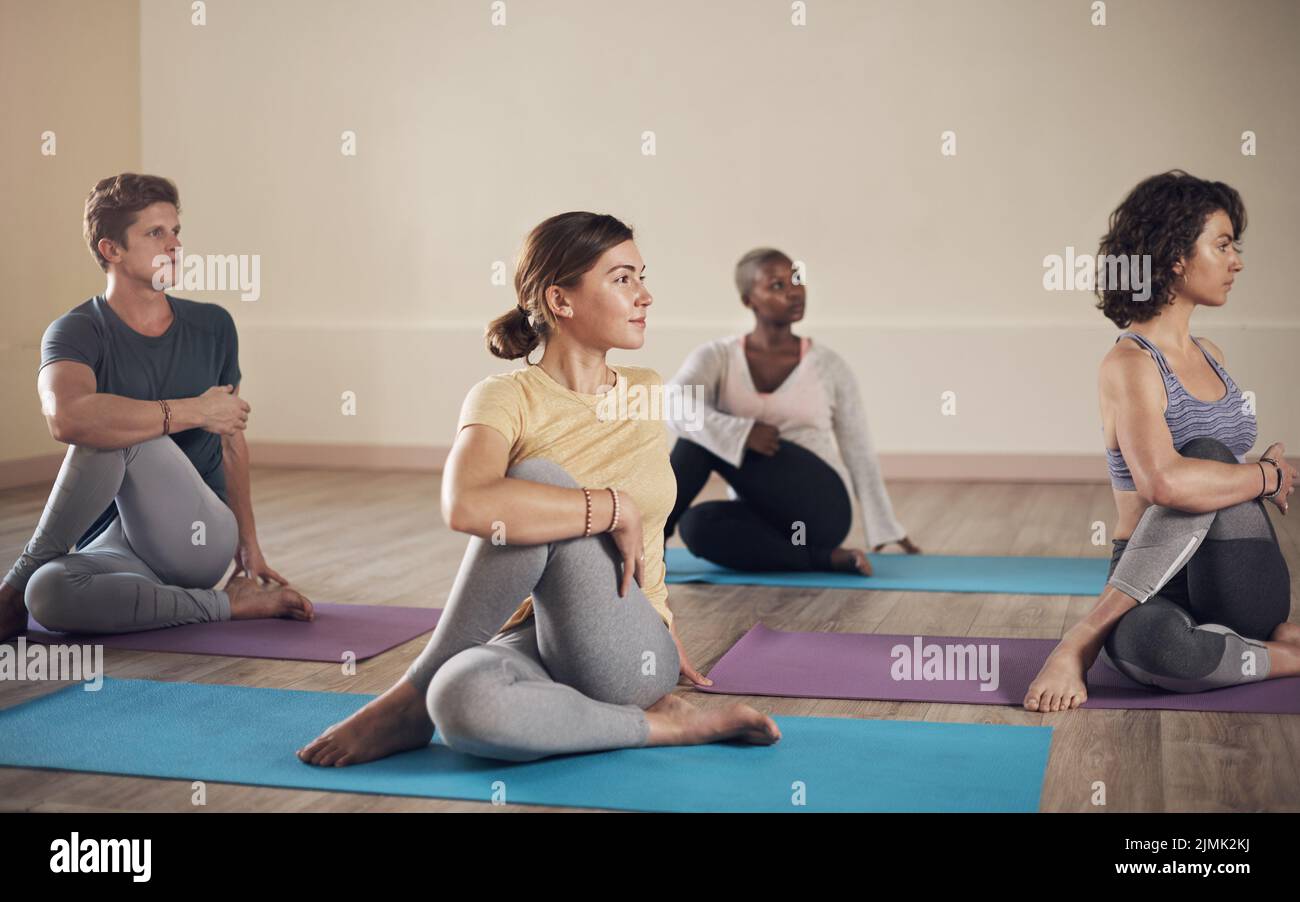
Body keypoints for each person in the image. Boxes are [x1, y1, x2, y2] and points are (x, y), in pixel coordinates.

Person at [298, 212, 780, 765]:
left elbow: (638, 545)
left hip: (622, 647)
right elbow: (466, 503)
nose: (644, 295)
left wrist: (653, 618)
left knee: (537, 482)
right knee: (458, 701)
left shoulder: (646, 391)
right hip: (528, 637)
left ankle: (408, 698)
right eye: (622, 279)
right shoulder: (502, 398)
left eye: (641, 276)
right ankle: (656, 726)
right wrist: (612, 507)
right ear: (561, 301)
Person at [1025, 170, 1299, 711]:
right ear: (1175, 257)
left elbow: (1208, 479)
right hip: (1149, 581)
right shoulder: (1129, 365)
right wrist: (1266, 476)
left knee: (1205, 460)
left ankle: (1079, 640)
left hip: (1238, 577)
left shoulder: (1212, 354)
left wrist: (1248, 470)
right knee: (1154, 649)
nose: (1236, 261)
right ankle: (1283, 654)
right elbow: (1164, 482)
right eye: (1221, 245)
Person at [0, 173, 312, 641]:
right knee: (48, 593)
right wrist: (195, 411)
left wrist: (249, 549)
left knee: (112, 436)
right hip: (119, 543)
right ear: (112, 250)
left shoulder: (213, 325)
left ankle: (12, 585)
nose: (174, 245)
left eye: (176, 232)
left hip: (198, 536)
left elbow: (231, 442)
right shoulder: (73, 331)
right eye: (155, 233)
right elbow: (65, 418)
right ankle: (224, 606)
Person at [662, 248, 919, 575]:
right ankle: (824, 560)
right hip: (762, 513)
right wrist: (740, 433)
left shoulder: (828, 365)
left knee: (696, 440)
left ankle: (649, 543)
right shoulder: (718, 356)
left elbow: (859, 448)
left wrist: (886, 527)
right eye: (777, 285)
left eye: (796, 280)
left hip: (822, 508)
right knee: (696, 526)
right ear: (748, 300)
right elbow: (672, 399)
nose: (795, 291)